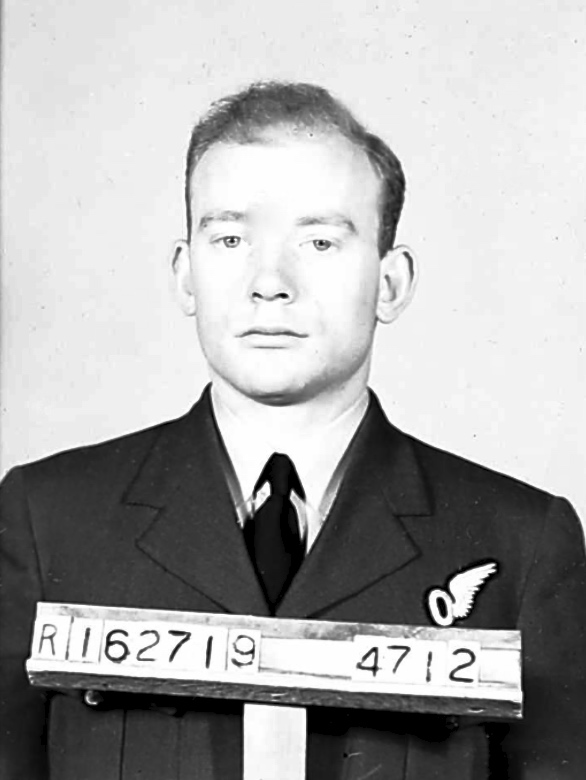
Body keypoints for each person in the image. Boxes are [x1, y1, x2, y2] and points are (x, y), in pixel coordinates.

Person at [1, 81, 585, 780]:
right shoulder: (48, 520)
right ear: (185, 276)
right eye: (230, 238)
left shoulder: (521, 543)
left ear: (391, 283)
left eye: (319, 241)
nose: (269, 282)